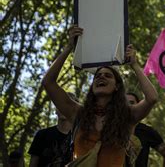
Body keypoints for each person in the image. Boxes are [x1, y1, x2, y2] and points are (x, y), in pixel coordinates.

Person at [42, 25, 159, 167]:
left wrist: (134, 65)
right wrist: (68, 47)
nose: (101, 77)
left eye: (107, 76)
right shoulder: (78, 113)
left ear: (117, 87)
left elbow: (152, 98)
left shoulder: (126, 116)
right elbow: (48, 82)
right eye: (97, 76)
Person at [28, 93, 77, 167]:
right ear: (56, 110)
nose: (63, 107)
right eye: (60, 103)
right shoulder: (42, 135)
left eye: (68, 104)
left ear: (75, 110)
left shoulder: (80, 138)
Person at [126, 92, 165, 167]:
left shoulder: (146, 131)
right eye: (124, 102)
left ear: (139, 106)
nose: (128, 105)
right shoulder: (110, 128)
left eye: (131, 102)